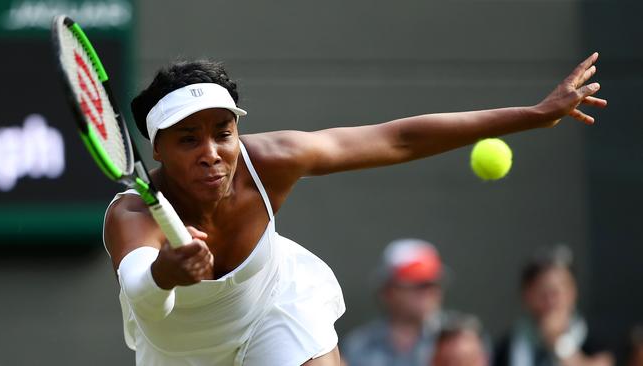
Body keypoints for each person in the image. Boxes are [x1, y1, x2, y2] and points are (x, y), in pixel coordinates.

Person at [103, 53, 606, 366]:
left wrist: (532, 116)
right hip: (182, 353)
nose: (212, 151)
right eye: (189, 139)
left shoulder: (271, 161)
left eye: (223, 132)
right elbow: (143, 296)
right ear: (157, 151)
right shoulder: (131, 215)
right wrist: (167, 271)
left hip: (273, 309)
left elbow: (400, 138)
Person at [493, 245, 614, 366]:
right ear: (527, 295)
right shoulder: (508, 346)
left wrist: (559, 342)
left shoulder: (594, 336)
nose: (551, 299)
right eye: (543, 290)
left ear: (573, 292)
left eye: (559, 288)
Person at [341, 238, 449, 366]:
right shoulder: (358, 345)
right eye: (418, 284)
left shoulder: (461, 342)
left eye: (433, 284)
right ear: (387, 290)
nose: (428, 292)